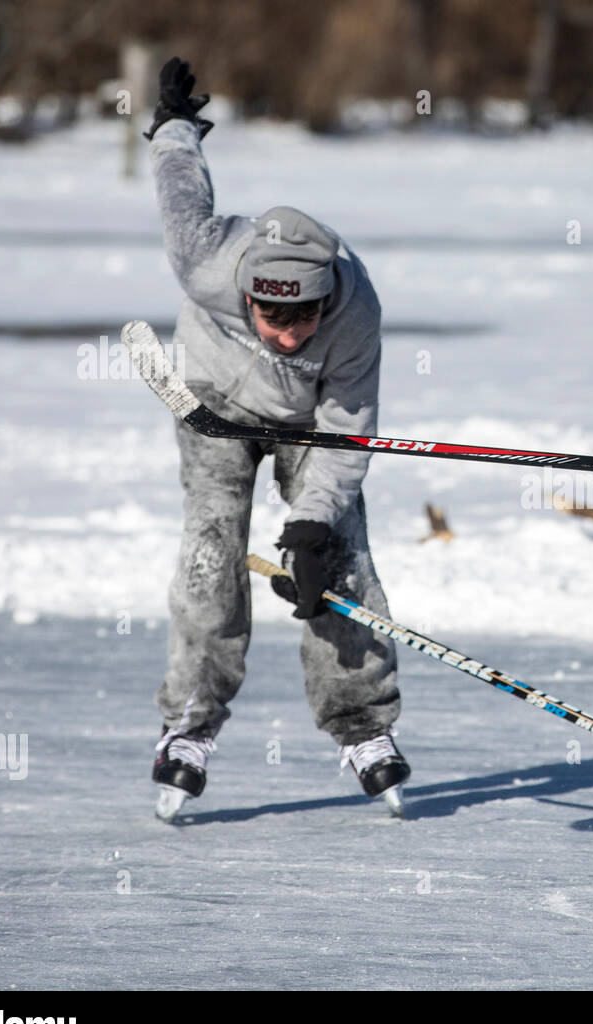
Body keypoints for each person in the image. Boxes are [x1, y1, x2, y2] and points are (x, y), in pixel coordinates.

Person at [142, 58, 406, 821]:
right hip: (214, 405)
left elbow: (348, 428)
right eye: (272, 318)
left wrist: (313, 522)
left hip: (306, 425)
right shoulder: (206, 262)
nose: (288, 336)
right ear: (249, 294)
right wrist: (174, 127)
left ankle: (363, 724)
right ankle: (188, 725)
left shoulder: (356, 314)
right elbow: (181, 187)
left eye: (303, 320)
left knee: (339, 558)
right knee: (211, 551)